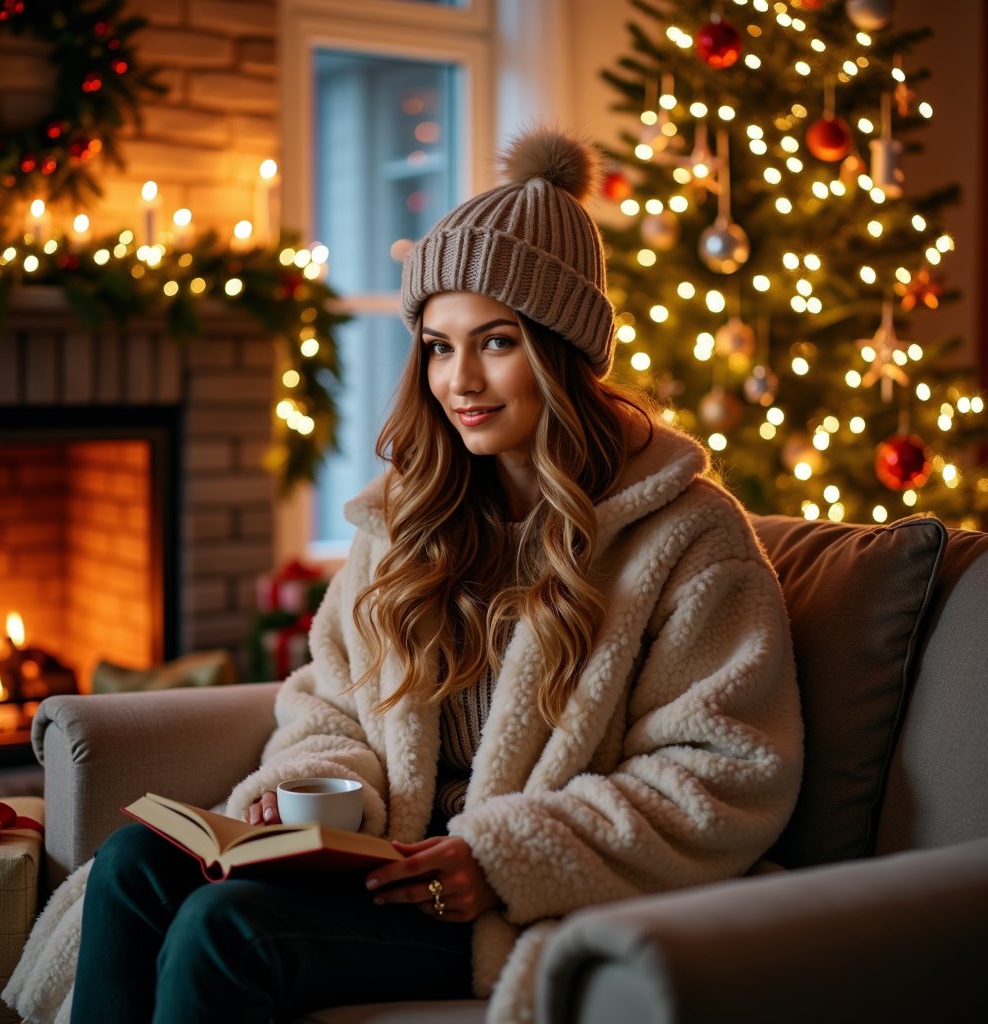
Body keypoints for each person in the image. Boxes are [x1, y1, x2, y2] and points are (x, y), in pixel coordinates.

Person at [65, 127, 803, 1023]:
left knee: (227, 933)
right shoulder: (409, 518)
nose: (461, 381)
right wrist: (313, 793)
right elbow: (330, 699)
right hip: (385, 860)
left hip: (509, 898)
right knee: (134, 864)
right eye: (438, 346)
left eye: (495, 341)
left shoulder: (687, 537)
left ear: (562, 351)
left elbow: (726, 773)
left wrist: (500, 856)